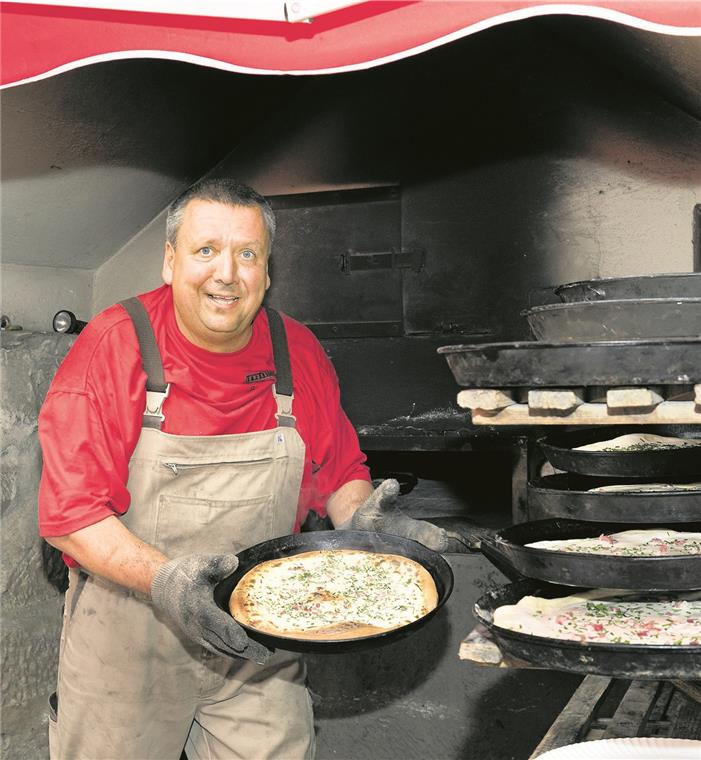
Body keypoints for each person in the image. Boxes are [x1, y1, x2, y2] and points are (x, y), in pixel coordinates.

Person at [38, 179, 466, 760]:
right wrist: (167, 581)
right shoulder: (115, 346)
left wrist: (370, 527)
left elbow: (338, 470)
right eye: (205, 250)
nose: (226, 274)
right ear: (170, 261)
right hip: (131, 635)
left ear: (267, 271)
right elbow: (70, 515)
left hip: (263, 635)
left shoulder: (297, 350)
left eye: (247, 254)